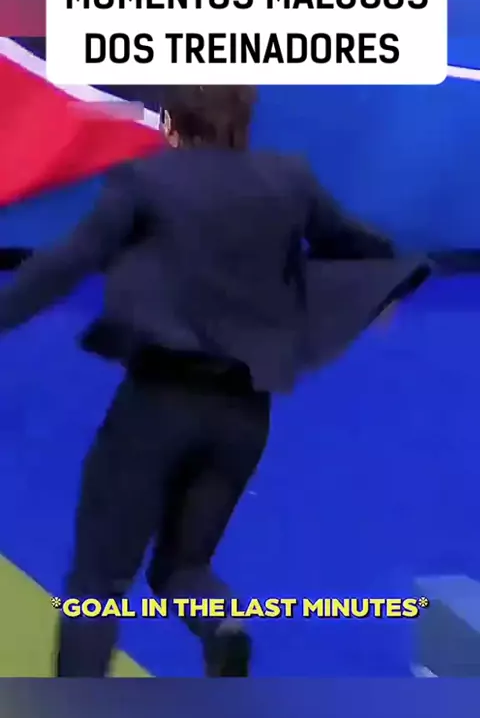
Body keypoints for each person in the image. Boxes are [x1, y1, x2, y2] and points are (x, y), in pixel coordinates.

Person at [0, 85, 430, 677]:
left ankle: (73, 717)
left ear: (171, 123)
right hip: (244, 417)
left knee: (98, 580)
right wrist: (387, 292)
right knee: (185, 567)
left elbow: (63, 265)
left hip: (155, 410)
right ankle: (222, 626)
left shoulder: (145, 182)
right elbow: (363, 247)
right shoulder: (291, 179)